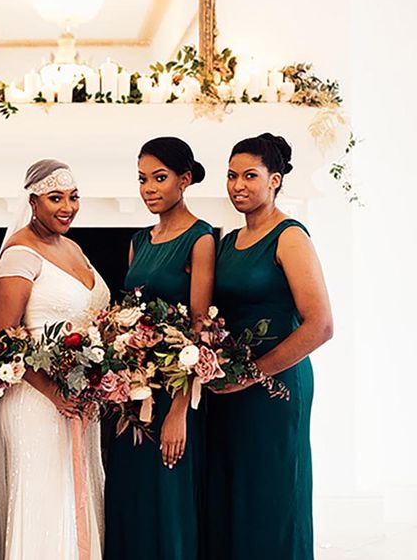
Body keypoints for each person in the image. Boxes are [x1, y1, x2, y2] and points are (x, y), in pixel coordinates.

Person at [206, 133, 333, 560]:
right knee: (234, 492)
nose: (237, 185)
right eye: (230, 176)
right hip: (230, 388)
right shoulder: (225, 243)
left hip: (276, 389)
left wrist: (252, 374)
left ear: (274, 180)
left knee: (274, 495)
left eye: (249, 175)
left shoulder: (290, 237)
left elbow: (320, 325)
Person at [0, 159, 109, 560]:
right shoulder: (19, 252)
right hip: (36, 399)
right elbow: (2, 336)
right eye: (55, 198)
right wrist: (53, 390)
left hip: (77, 396)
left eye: (74, 197)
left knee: (77, 491)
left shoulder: (72, 246)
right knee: (44, 496)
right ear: (33, 201)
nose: (67, 207)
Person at [105, 136, 215, 560]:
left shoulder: (201, 239)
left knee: (169, 501)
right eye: (142, 179)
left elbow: (199, 330)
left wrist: (178, 412)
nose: (149, 188)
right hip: (131, 392)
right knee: (129, 497)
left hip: (174, 392)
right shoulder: (139, 240)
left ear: (184, 180)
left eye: (159, 178)